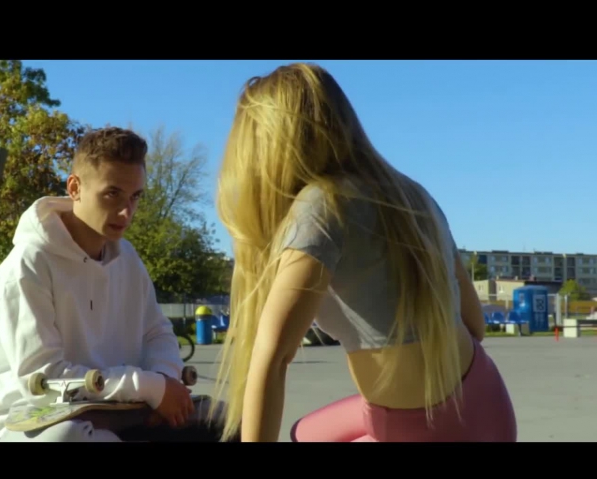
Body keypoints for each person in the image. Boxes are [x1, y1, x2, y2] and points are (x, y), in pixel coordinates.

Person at [208, 63, 517, 442]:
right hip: (486, 402)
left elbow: (271, 360)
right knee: (306, 433)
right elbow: (475, 327)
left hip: (416, 431)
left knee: (302, 435)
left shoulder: (321, 207)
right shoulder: (415, 196)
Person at [0, 126, 229, 442]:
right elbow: (44, 380)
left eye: (135, 197)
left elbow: (156, 332)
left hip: (125, 409)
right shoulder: (27, 266)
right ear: (75, 188)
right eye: (112, 194)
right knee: (66, 438)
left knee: (224, 419)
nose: (126, 212)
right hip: (39, 418)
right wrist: (150, 387)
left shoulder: (127, 257)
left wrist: (164, 381)